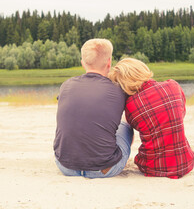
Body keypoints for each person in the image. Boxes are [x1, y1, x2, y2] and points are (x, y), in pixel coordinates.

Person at [53, 39, 134, 179]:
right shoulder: (118, 89)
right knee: (125, 126)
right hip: (105, 169)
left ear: (82, 63)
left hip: (66, 167)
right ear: (109, 62)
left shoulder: (66, 85)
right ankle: (119, 160)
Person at [108, 58, 194, 179]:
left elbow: (136, 127)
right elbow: (181, 114)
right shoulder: (173, 86)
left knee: (125, 126)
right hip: (186, 162)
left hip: (153, 167)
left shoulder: (131, 106)